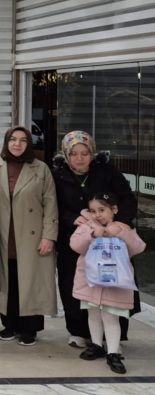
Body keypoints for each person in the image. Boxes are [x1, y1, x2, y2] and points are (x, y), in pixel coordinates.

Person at [53, 131, 138, 348]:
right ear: (66, 154)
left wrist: (121, 223)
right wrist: (72, 218)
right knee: (76, 285)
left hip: (110, 240)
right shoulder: (58, 175)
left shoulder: (107, 172)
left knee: (113, 285)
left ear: (92, 153)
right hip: (76, 240)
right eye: (74, 154)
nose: (79, 158)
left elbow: (127, 198)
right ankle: (78, 331)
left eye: (85, 153)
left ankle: (114, 337)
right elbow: (52, 205)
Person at [0, 126, 58, 347]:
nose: (17, 144)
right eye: (13, 139)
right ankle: (9, 325)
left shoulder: (41, 169)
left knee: (30, 281)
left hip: (32, 236)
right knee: (8, 280)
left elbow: (50, 205)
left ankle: (30, 328)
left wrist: (49, 236)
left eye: (23, 140)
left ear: (29, 143)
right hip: (4, 234)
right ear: (6, 142)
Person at [70, 193, 146, 374]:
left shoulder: (123, 228)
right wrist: (91, 235)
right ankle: (96, 344)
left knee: (111, 317)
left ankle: (113, 352)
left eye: (102, 210)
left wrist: (120, 233)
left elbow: (138, 247)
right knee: (93, 315)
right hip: (91, 283)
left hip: (115, 284)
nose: (97, 215)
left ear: (114, 210)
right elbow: (75, 245)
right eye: (93, 211)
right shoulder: (86, 227)